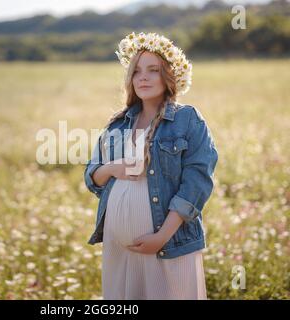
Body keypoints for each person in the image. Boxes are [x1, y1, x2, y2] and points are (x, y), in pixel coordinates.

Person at [84, 32, 219, 299]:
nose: (143, 77)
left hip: (168, 244)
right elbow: (92, 175)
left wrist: (162, 236)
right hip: (118, 246)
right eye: (137, 72)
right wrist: (113, 169)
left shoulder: (187, 119)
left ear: (168, 76)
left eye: (153, 70)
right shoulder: (118, 123)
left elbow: (197, 182)